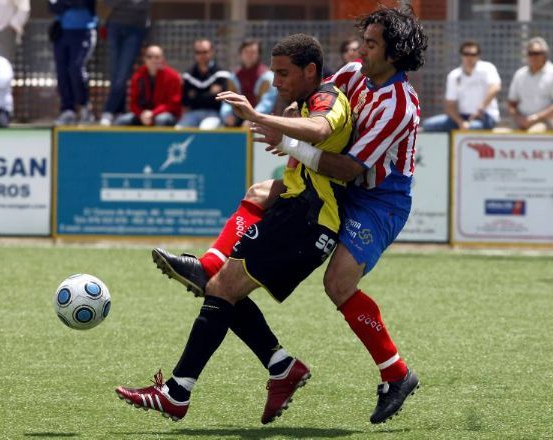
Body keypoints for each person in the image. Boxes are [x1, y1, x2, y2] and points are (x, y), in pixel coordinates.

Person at [142, 6, 427, 424]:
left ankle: (396, 374)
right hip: (337, 187)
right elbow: (319, 100)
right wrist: (291, 114)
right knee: (259, 194)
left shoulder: (398, 105)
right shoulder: (353, 74)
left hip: (378, 199)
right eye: (363, 41)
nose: (361, 49)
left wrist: (286, 139)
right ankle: (213, 270)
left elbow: (349, 167)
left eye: (371, 43)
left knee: (337, 283)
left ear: (395, 52)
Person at [116, 33, 353, 425]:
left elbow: (321, 129)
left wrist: (261, 118)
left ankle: (178, 393)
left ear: (310, 70)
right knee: (227, 278)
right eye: (274, 73)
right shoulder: (307, 100)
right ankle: (280, 367)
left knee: (221, 285)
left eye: (283, 73)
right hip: (299, 212)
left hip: (309, 221)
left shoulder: (327, 99)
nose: (275, 82)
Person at [423, 40, 500, 131]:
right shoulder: (454, 75)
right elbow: (450, 105)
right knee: (428, 125)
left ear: (478, 56)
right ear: (461, 55)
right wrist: (461, 123)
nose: (469, 57)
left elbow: (495, 88)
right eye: (466, 54)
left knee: (472, 128)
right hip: (462, 117)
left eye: (473, 54)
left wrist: (481, 108)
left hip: (485, 116)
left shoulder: (487, 68)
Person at [99, 0, 152, 126]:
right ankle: (119, 111)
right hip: (114, 27)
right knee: (115, 73)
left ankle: (108, 111)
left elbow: (144, 4)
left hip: (136, 29)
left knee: (122, 75)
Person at [48, 0, 97, 125]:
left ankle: (85, 106)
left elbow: (82, 3)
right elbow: (53, 7)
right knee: (62, 72)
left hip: (84, 32)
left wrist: (64, 4)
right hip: (61, 33)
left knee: (76, 68)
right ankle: (68, 110)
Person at [114, 44, 182, 126]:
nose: (153, 60)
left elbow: (173, 104)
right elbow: (133, 103)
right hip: (143, 115)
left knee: (161, 119)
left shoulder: (173, 76)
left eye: (157, 57)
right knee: (121, 121)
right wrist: (142, 114)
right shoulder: (138, 76)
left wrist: (153, 113)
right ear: (145, 59)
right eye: (149, 57)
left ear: (162, 59)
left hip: (165, 114)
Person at [176, 38, 231, 129]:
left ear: (211, 52)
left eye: (205, 52)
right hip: (193, 113)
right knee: (179, 129)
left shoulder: (221, 74)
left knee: (205, 129)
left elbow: (220, 99)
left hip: (213, 113)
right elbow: (186, 101)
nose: (202, 55)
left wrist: (195, 95)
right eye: (198, 52)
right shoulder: (188, 75)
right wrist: (210, 93)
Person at [507, 37, 553, 132]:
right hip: (521, 120)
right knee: (501, 135)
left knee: (533, 133)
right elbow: (511, 103)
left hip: (546, 121)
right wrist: (518, 118)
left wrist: (535, 118)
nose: (533, 57)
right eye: (530, 53)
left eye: (536, 53)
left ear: (545, 55)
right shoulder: (520, 74)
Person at [220, 39, 269, 127]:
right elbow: (227, 100)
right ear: (241, 54)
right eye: (246, 52)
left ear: (258, 54)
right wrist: (227, 115)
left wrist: (253, 117)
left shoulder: (267, 77)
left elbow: (267, 103)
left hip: (262, 119)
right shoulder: (234, 76)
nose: (249, 55)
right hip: (238, 118)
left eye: (253, 52)